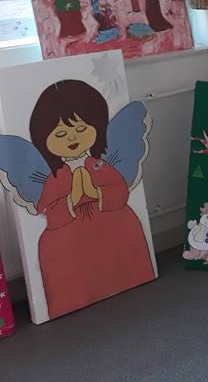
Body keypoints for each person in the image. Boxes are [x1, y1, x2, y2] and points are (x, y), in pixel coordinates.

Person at [25, 81, 155, 318]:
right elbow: (47, 209)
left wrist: (97, 194)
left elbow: (120, 190)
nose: (71, 138)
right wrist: (72, 199)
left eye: (81, 129)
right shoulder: (56, 177)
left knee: (124, 232)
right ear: (44, 139)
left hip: (112, 222)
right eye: (61, 134)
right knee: (59, 253)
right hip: (67, 234)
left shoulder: (99, 165)